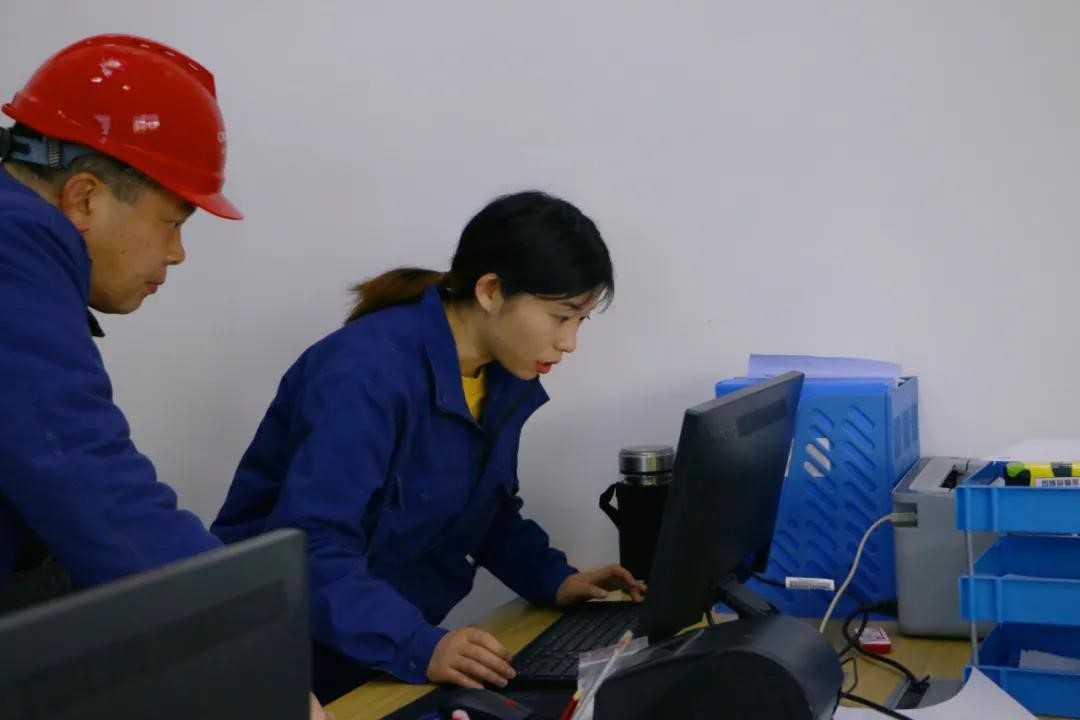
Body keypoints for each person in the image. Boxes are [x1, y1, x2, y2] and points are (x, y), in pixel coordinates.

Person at [0, 34, 327, 719]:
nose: (177, 253)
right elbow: (86, 477)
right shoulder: (12, 246)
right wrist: (253, 652)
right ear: (84, 198)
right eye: (173, 221)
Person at [212, 190, 647, 702]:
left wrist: (554, 579)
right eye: (561, 316)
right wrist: (419, 645)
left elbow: (485, 509)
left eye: (580, 321)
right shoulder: (364, 374)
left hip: (376, 655)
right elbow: (312, 548)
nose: (569, 342)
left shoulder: (499, 375)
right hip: (284, 662)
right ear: (490, 291)